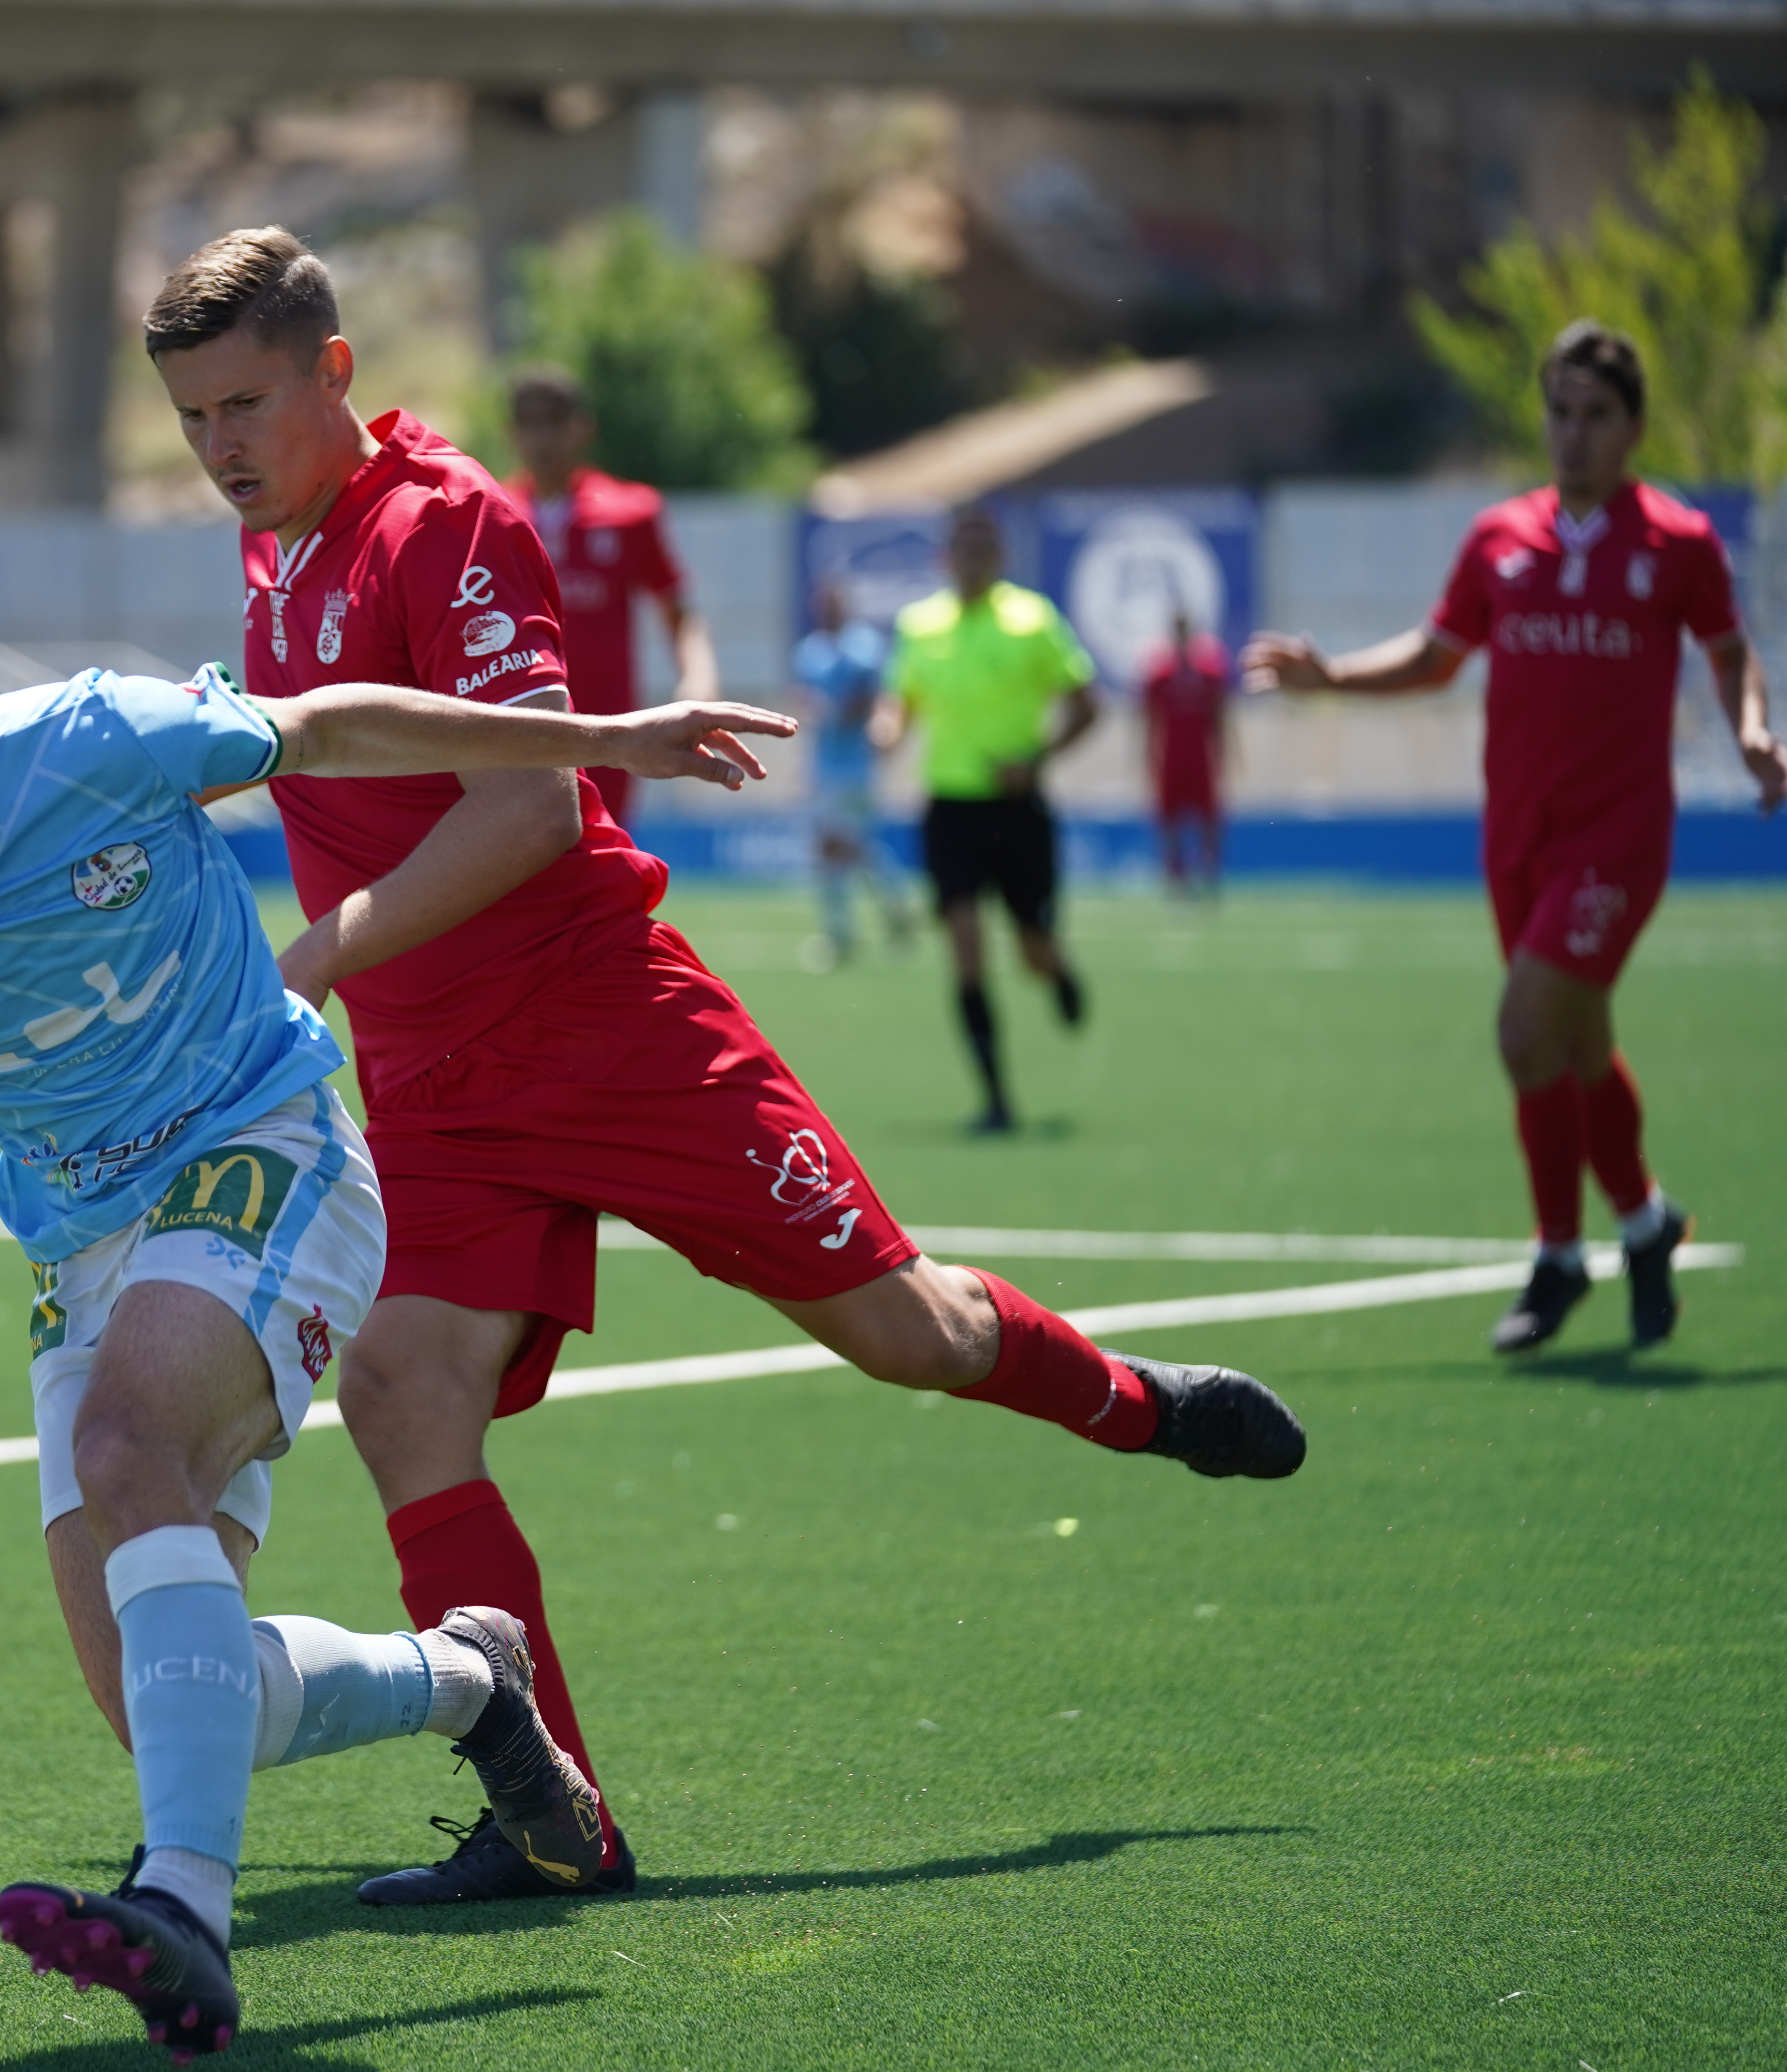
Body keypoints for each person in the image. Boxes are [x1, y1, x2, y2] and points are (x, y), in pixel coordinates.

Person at [148, 225, 1306, 1909]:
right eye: (191, 419)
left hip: (610, 1027)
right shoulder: (270, 554)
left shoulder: (443, 518)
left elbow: (529, 809)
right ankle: (558, 1818)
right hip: (435, 1076)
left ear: (336, 369)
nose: (219, 449)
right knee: (404, 1393)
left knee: (908, 1334)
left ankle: (1138, 1407)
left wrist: (311, 955)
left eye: (245, 404)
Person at [0, 605, 801, 2054]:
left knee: (125, 1446)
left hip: (270, 1145)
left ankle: (182, 1917)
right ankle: (473, 1684)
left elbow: (331, 725)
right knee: (172, 1705)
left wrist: (602, 738)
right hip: (84, 1243)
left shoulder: (94, 743)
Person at [1243, 320, 1780, 1353]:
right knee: (1576, 1044)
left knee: (1525, 1030)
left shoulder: (1678, 540)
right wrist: (1332, 675)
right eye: (1560, 411)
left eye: (1596, 415)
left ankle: (1557, 1254)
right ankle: (1646, 1223)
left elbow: (1729, 653)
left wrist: (1753, 730)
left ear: (1634, 427)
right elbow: (1439, 656)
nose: (1573, 434)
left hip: (1618, 836)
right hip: (1518, 833)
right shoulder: (1500, 537)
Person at [870, 505, 1099, 1135]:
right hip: (949, 809)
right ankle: (997, 1099)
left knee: (1030, 950)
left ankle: (1057, 969)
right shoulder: (921, 626)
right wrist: (887, 728)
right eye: (961, 548)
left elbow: (1087, 705)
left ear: (1000, 556)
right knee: (966, 948)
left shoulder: (1034, 620)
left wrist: (1039, 759)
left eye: (983, 548)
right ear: (947, 557)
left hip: (1019, 810)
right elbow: (902, 699)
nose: (972, 560)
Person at [496, 367, 718, 827]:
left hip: (609, 730)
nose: (543, 438)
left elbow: (678, 608)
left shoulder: (630, 511)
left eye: (554, 422)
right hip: (515, 724)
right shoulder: (491, 511)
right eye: (530, 423)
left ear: (582, 428)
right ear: (512, 435)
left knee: (601, 860)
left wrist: (699, 677)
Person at [791, 579, 916, 961]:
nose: (827, 610)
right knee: (847, 848)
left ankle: (842, 935)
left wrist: (838, 712)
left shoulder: (864, 647)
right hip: (824, 766)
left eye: (833, 603)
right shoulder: (809, 652)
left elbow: (871, 699)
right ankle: (896, 910)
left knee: (838, 847)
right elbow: (802, 700)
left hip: (856, 765)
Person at [1141, 608, 1232, 896]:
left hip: (1201, 756)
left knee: (1209, 817)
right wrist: (1146, 755)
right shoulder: (1160, 674)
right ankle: (1175, 874)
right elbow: (1148, 720)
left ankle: (1209, 871)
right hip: (1172, 756)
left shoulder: (1210, 672)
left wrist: (1227, 754)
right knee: (1169, 819)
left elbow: (1222, 717)